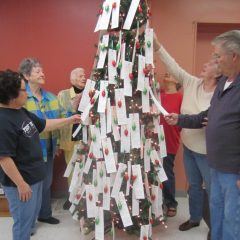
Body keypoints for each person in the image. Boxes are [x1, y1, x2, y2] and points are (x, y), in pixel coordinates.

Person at [165, 30, 240, 240]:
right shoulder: (224, 85)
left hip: (233, 171)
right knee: (216, 212)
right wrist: (179, 119)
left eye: (217, 56)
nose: (214, 60)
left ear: (234, 56)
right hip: (216, 164)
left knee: (232, 219)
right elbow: (207, 115)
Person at [153, 33, 222, 236]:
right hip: (189, 148)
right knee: (193, 186)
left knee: (212, 191)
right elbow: (172, 65)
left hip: (208, 152)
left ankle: (214, 228)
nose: (204, 65)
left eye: (209, 64)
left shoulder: (220, 94)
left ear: (219, 73)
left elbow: (203, 119)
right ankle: (194, 218)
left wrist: (183, 120)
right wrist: (158, 46)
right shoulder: (192, 83)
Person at [0, 70, 81, 240]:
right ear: (12, 94)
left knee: (30, 219)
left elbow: (43, 125)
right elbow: (4, 158)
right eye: (24, 90)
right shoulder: (3, 120)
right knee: (23, 223)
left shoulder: (20, 112)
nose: (27, 94)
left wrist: (69, 120)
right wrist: (21, 184)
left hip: (34, 177)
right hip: (21, 183)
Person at [19, 58, 65, 224]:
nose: (42, 74)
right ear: (26, 75)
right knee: (32, 187)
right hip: (28, 152)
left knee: (46, 183)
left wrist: (58, 143)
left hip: (49, 148)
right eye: (37, 71)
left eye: (42, 70)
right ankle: (28, 222)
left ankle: (44, 214)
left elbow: (59, 122)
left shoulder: (52, 98)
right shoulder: (20, 100)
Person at [57, 67, 86, 210]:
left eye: (84, 75)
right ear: (73, 79)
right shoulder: (63, 95)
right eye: (80, 76)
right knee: (72, 170)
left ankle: (85, 198)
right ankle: (72, 197)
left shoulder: (91, 93)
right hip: (70, 139)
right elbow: (59, 117)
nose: (84, 77)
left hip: (86, 138)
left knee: (86, 169)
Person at [160, 73, 182, 217]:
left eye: (171, 73)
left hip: (169, 138)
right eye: (166, 72)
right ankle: (156, 202)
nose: (167, 73)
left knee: (167, 171)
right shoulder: (158, 94)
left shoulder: (181, 97)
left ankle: (170, 203)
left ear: (178, 81)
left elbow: (184, 118)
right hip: (152, 138)